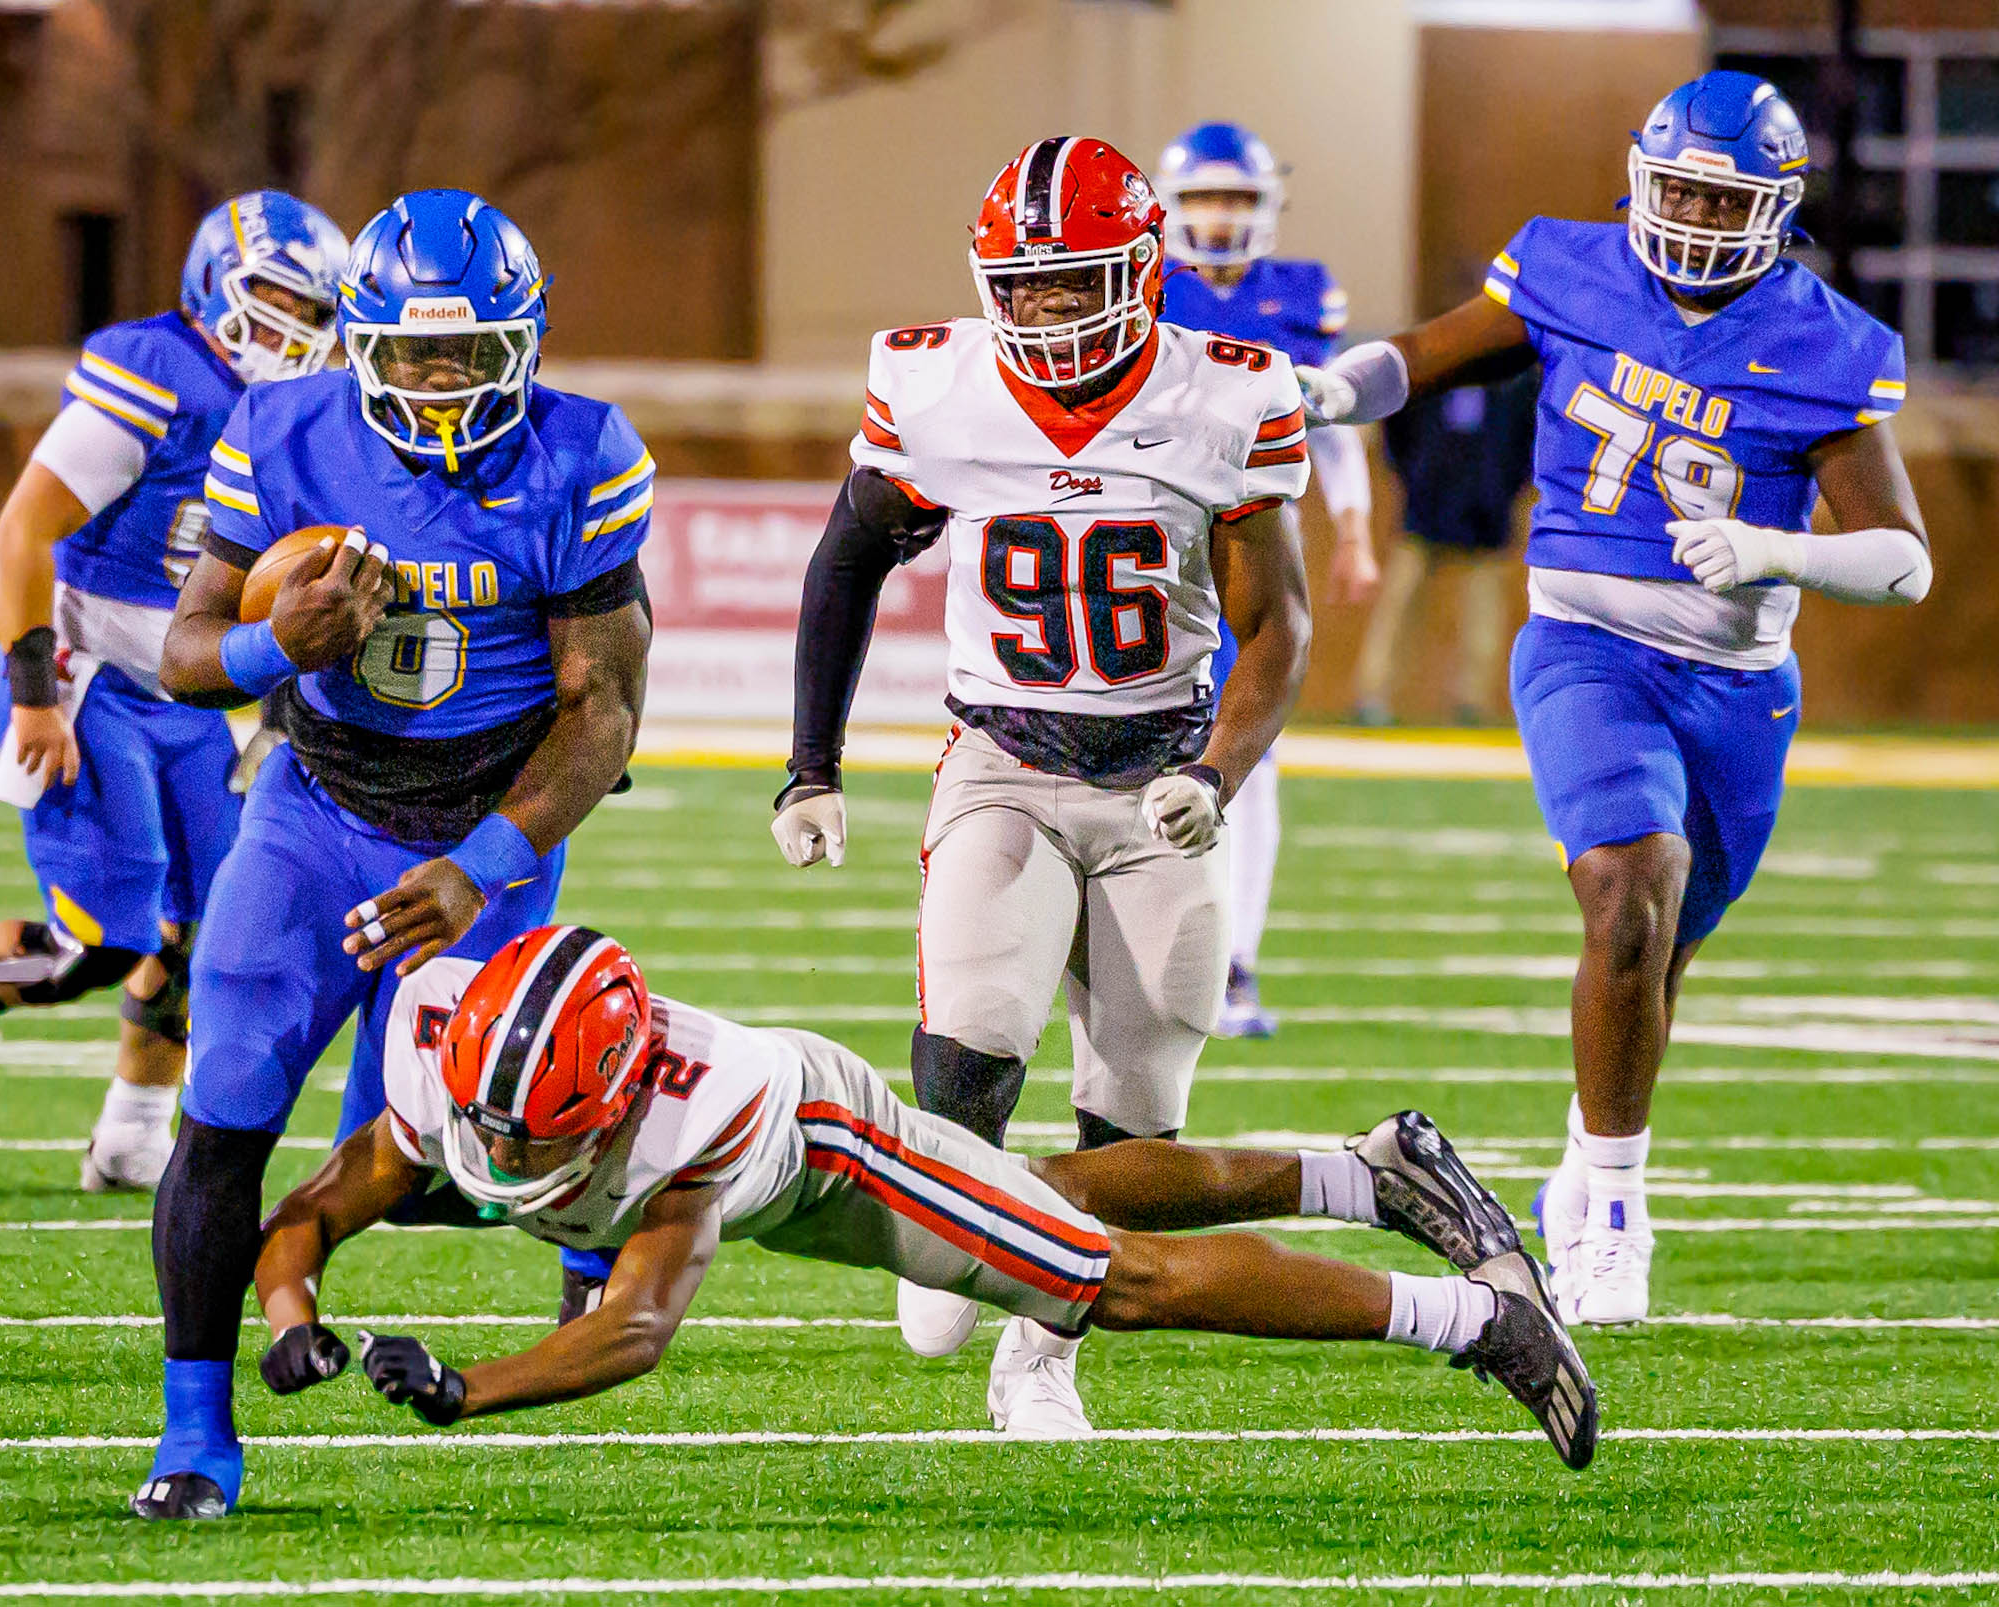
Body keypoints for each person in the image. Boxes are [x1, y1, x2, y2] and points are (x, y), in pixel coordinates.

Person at [1294, 72, 1932, 1327]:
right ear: (1643, 178)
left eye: (1723, 195)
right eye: (1680, 184)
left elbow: (1905, 560)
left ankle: (1585, 1166)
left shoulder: (1826, 343)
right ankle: (1624, 1216)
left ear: (1776, 208)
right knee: (1628, 881)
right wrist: (1326, 391)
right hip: (1584, 640)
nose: (1693, 213)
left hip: (1736, 680)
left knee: (1659, 943)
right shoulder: (1571, 271)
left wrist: (1775, 549)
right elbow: (1419, 359)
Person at [242, 926, 1599, 1474]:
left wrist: (465, 1387)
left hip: (825, 1145)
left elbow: (636, 1329)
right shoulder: (452, 1044)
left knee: (1103, 1276)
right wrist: (294, 1306)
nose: (490, 1145)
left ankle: (1472, 1321)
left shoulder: (688, 1113)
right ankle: (1370, 1170)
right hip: (772, 1159)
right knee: (1048, 1185)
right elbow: (307, 1208)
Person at [769, 136, 1314, 1435]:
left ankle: (1043, 1351)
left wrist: (1217, 769)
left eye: (1076, 282)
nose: (1048, 310)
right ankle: (956, 1230)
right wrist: (812, 767)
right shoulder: (939, 384)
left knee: (1137, 1114)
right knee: (969, 1045)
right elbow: (846, 562)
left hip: (1160, 775)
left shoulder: (1224, 395)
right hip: (1005, 758)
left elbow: (1278, 621)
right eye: (1024, 284)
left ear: (1139, 270)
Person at [134, 188, 657, 1521]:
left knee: (469, 1144)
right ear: (357, 347)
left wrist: (482, 862)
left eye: (470, 355)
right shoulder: (281, 428)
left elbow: (603, 715)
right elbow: (184, 650)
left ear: (524, 344)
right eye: (416, 357)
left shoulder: (584, 453)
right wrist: (274, 646)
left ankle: (579, 1255)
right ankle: (197, 1435)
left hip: (491, 825)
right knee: (226, 1112)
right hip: (315, 810)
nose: (438, 387)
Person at [0, 191, 349, 1190]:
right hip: (82, 676)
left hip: (181, 697)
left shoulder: (292, 414)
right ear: (213, 281)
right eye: (271, 297)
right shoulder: (158, 371)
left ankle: (134, 1132)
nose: (289, 328)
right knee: (92, 948)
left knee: (212, 919)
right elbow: (23, 529)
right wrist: (35, 693)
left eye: (310, 312)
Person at [1154, 122, 1382, 1039]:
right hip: (1152, 545)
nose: (1219, 216)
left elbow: (1330, 421)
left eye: (1238, 199)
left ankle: (1236, 963)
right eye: (1206, 197)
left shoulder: (1299, 297)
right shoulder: (1136, 286)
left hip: (1252, 544)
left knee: (1249, 755)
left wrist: (1357, 528)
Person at [1351, 372, 1537, 726]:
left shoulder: (1516, 380)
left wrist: (1502, 489)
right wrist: (1416, 477)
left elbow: (1528, 440)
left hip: (1487, 511)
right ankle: (1374, 698)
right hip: (1425, 505)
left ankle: (1472, 703)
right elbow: (1397, 432)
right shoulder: (1434, 371)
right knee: (1399, 603)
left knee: (1483, 614)